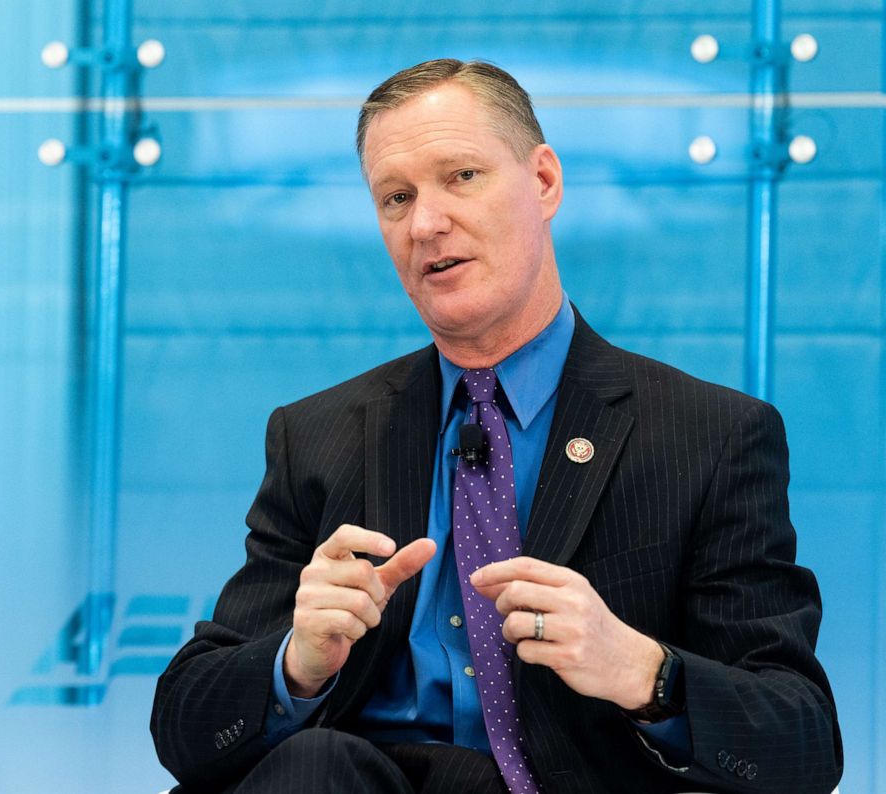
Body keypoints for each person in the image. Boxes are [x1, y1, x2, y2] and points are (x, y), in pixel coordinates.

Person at [151, 59, 843, 794]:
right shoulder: (316, 438)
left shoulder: (709, 436)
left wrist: (643, 671)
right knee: (313, 767)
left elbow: (799, 741)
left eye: (462, 177)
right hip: (355, 782)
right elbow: (186, 730)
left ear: (544, 181)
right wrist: (298, 662)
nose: (426, 223)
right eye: (396, 197)